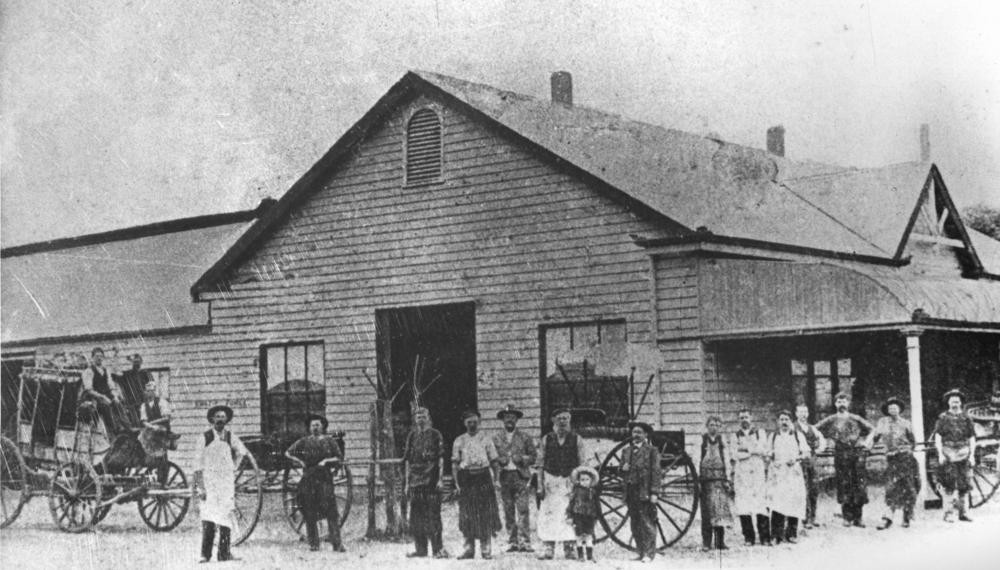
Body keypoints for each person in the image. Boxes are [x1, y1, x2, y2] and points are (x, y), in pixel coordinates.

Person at [193, 404, 249, 563]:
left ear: (226, 420)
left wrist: (234, 467)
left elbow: (242, 452)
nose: (220, 420)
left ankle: (224, 554)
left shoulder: (231, 436)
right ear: (212, 419)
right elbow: (197, 465)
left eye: (223, 417)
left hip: (225, 482)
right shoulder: (204, 437)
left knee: (226, 516)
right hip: (209, 481)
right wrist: (201, 487)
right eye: (217, 417)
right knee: (208, 516)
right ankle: (205, 554)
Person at [285, 414, 345, 552]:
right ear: (309, 427)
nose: (315, 428)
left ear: (323, 426)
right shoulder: (304, 441)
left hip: (324, 478)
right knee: (309, 510)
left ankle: (337, 543)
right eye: (313, 425)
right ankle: (313, 543)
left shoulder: (329, 441)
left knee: (331, 510)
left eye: (318, 425)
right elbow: (287, 453)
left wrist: (326, 461)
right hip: (308, 478)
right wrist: (299, 461)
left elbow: (339, 457)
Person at [815, 393, 874, 527]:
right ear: (835, 404)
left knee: (859, 484)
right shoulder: (831, 419)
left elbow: (872, 430)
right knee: (844, 483)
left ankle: (858, 517)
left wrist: (866, 444)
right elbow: (814, 430)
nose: (841, 404)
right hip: (841, 454)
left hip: (857, 454)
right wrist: (822, 443)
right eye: (839, 401)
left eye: (844, 401)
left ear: (848, 403)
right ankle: (847, 517)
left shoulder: (856, 418)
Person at [536, 408, 588, 560]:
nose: (563, 422)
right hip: (550, 481)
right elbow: (539, 464)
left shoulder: (577, 439)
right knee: (548, 514)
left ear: (570, 421)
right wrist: (540, 484)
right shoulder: (546, 439)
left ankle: (569, 547)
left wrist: (579, 484)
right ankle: (548, 547)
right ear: (553, 421)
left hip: (569, 481)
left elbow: (583, 463)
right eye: (560, 418)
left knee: (569, 513)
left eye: (566, 418)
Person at [452, 410, 502, 560]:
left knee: (485, 513)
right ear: (464, 423)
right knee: (467, 514)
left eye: (475, 422)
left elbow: (494, 462)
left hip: (483, 478)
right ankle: (468, 549)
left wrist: (497, 479)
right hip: (466, 478)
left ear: (479, 422)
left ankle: (486, 549)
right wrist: (456, 483)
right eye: (469, 422)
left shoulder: (486, 439)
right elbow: (454, 463)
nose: (472, 425)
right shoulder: (459, 440)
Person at [403, 407, 449, 558]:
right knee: (416, 517)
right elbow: (407, 461)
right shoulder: (412, 436)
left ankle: (438, 549)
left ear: (428, 418)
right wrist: (406, 484)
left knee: (433, 516)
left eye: (423, 416)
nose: (420, 419)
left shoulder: (436, 435)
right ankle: (420, 549)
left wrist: (441, 479)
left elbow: (441, 458)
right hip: (416, 482)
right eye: (418, 417)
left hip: (431, 481)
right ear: (415, 420)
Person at [492, 404, 537, 553]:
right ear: (502, 420)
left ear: (517, 419)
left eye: (512, 417)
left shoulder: (525, 437)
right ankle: (512, 541)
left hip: (520, 476)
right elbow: (492, 457)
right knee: (508, 509)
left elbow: (533, 456)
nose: (509, 420)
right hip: (504, 476)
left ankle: (525, 541)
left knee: (523, 509)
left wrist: (521, 458)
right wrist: (500, 460)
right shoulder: (496, 438)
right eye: (506, 417)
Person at [873, 396, 919, 529]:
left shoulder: (906, 423)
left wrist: (906, 451)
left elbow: (913, 441)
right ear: (887, 410)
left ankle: (907, 517)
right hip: (891, 459)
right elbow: (875, 436)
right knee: (891, 488)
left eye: (895, 407)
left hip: (906, 459)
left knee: (908, 488)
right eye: (890, 407)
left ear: (899, 409)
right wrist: (868, 446)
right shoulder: (882, 422)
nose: (893, 409)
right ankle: (887, 518)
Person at [933, 389, 977, 523]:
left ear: (960, 403)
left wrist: (972, 455)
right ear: (948, 403)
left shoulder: (967, 418)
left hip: (964, 451)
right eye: (952, 401)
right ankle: (948, 513)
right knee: (948, 484)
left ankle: (964, 513)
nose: (955, 404)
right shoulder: (943, 418)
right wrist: (940, 454)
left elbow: (972, 438)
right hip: (948, 451)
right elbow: (938, 436)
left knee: (965, 484)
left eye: (957, 401)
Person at [766, 410, 809, 544]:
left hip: (793, 473)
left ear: (791, 421)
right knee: (777, 502)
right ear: (778, 422)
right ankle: (776, 535)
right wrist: (770, 455)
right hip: (778, 474)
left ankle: (791, 534)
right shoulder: (773, 436)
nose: (784, 422)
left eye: (786, 419)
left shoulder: (798, 435)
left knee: (793, 502)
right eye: (782, 419)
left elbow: (806, 452)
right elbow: (767, 453)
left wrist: (797, 458)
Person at [730, 409, 771, 546]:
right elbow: (735, 455)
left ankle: (765, 537)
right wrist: (751, 451)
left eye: (746, 417)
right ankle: (749, 537)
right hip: (743, 474)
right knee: (744, 505)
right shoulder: (735, 436)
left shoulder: (760, 433)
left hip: (758, 473)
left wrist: (746, 450)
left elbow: (763, 450)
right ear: (738, 420)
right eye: (741, 417)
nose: (744, 420)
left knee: (760, 504)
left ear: (751, 418)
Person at [622, 420, 662, 563]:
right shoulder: (626, 451)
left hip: (644, 491)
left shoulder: (652, 451)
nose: (636, 435)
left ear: (645, 435)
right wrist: (623, 469)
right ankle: (640, 551)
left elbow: (656, 473)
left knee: (647, 522)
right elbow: (622, 472)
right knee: (635, 522)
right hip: (631, 491)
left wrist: (654, 493)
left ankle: (649, 554)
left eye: (639, 432)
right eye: (634, 432)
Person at [699, 416, 732, 551]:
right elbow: (696, 459)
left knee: (719, 512)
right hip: (706, 480)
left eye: (717, 425)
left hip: (719, 480)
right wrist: (697, 480)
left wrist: (728, 479)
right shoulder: (701, 441)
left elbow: (727, 461)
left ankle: (720, 542)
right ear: (707, 426)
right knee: (706, 513)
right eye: (711, 425)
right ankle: (706, 543)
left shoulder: (722, 442)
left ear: (720, 427)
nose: (714, 427)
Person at [79, 347, 127, 435]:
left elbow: (111, 386)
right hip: (94, 398)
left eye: (101, 356)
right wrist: (102, 397)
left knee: (118, 403)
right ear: (92, 358)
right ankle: (113, 429)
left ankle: (125, 427)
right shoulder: (88, 371)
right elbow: (88, 390)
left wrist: (115, 396)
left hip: (106, 395)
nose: (99, 358)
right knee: (106, 406)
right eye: (97, 356)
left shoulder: (106, 371)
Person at [793, 403, 826, 528]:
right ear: (796, 414)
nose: (803, 415)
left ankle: (813, 516)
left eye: (805, 412)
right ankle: (804, 518)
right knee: (803, 489)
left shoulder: (812, 428)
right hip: (799, 461)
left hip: (812, 461)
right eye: (800, 412)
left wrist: (819, 449)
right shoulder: (793, 428)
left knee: (814, 489)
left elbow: (822, 440)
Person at [138, 384, 178, 485]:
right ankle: (150, 466)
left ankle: (162, 479)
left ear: (155, 391)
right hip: (151, 430)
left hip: (162, 429)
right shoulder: (144, 405)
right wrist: (150, 426)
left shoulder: (162, 402)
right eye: (147, 391)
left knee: (162, 455)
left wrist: (153, 423)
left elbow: (166, 418)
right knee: (144, 437)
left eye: (151, 391)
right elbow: (143, 421)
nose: (149, 393)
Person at [566, 465, 599, 563]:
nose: (585, 482)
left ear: (591, 480)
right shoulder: (576, 491)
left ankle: (590, 555)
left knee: (589, 536)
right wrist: (569, 516)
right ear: (579, 481)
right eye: (582, 480)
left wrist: (597, 516)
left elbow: (597, 505)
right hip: (578, 516)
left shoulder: (593, 492)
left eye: (587, 479)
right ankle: (580, 555)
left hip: (589, 516)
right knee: (579, 536)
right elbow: (571, 504)